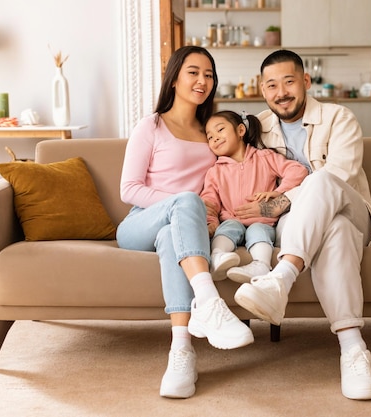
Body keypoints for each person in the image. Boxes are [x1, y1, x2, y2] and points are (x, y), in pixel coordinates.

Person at [232, 49, 371, 401]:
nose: (282, 92)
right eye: (272, 85)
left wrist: (280, 201)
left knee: (320, 181)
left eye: (289, 82)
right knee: (332, 231)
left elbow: (341, 176)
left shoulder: (340, 118)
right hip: (307, 228)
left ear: (305, 81)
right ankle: (353, 350)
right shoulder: (257, 129)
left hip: (354, 213)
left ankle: (282, 279)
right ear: (262, 90)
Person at [116, 46, 254, 400]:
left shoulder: (211, 132)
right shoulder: (152, 126)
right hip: (139, 223)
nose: (202, 80)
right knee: (181, 207)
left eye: (209, 74)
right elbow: (128, 189)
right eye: (193, 72)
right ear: (175, 77)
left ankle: (181, 351)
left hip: (185, 229)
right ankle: (209, 304)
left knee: (170, 238)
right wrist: (182, 205)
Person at [200, 110, 308, 283]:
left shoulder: (265, 157)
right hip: (231, 220)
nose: (215, 138)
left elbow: (298, 171)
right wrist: (210, 224)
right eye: (210, 137)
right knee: (227, 228)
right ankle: (218, 256)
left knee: (258, 232)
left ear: (241, 131)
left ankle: (261, 264)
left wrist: (279, 193)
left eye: (220, 130)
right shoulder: (215, 171)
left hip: (262, 221)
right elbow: (209, 201)